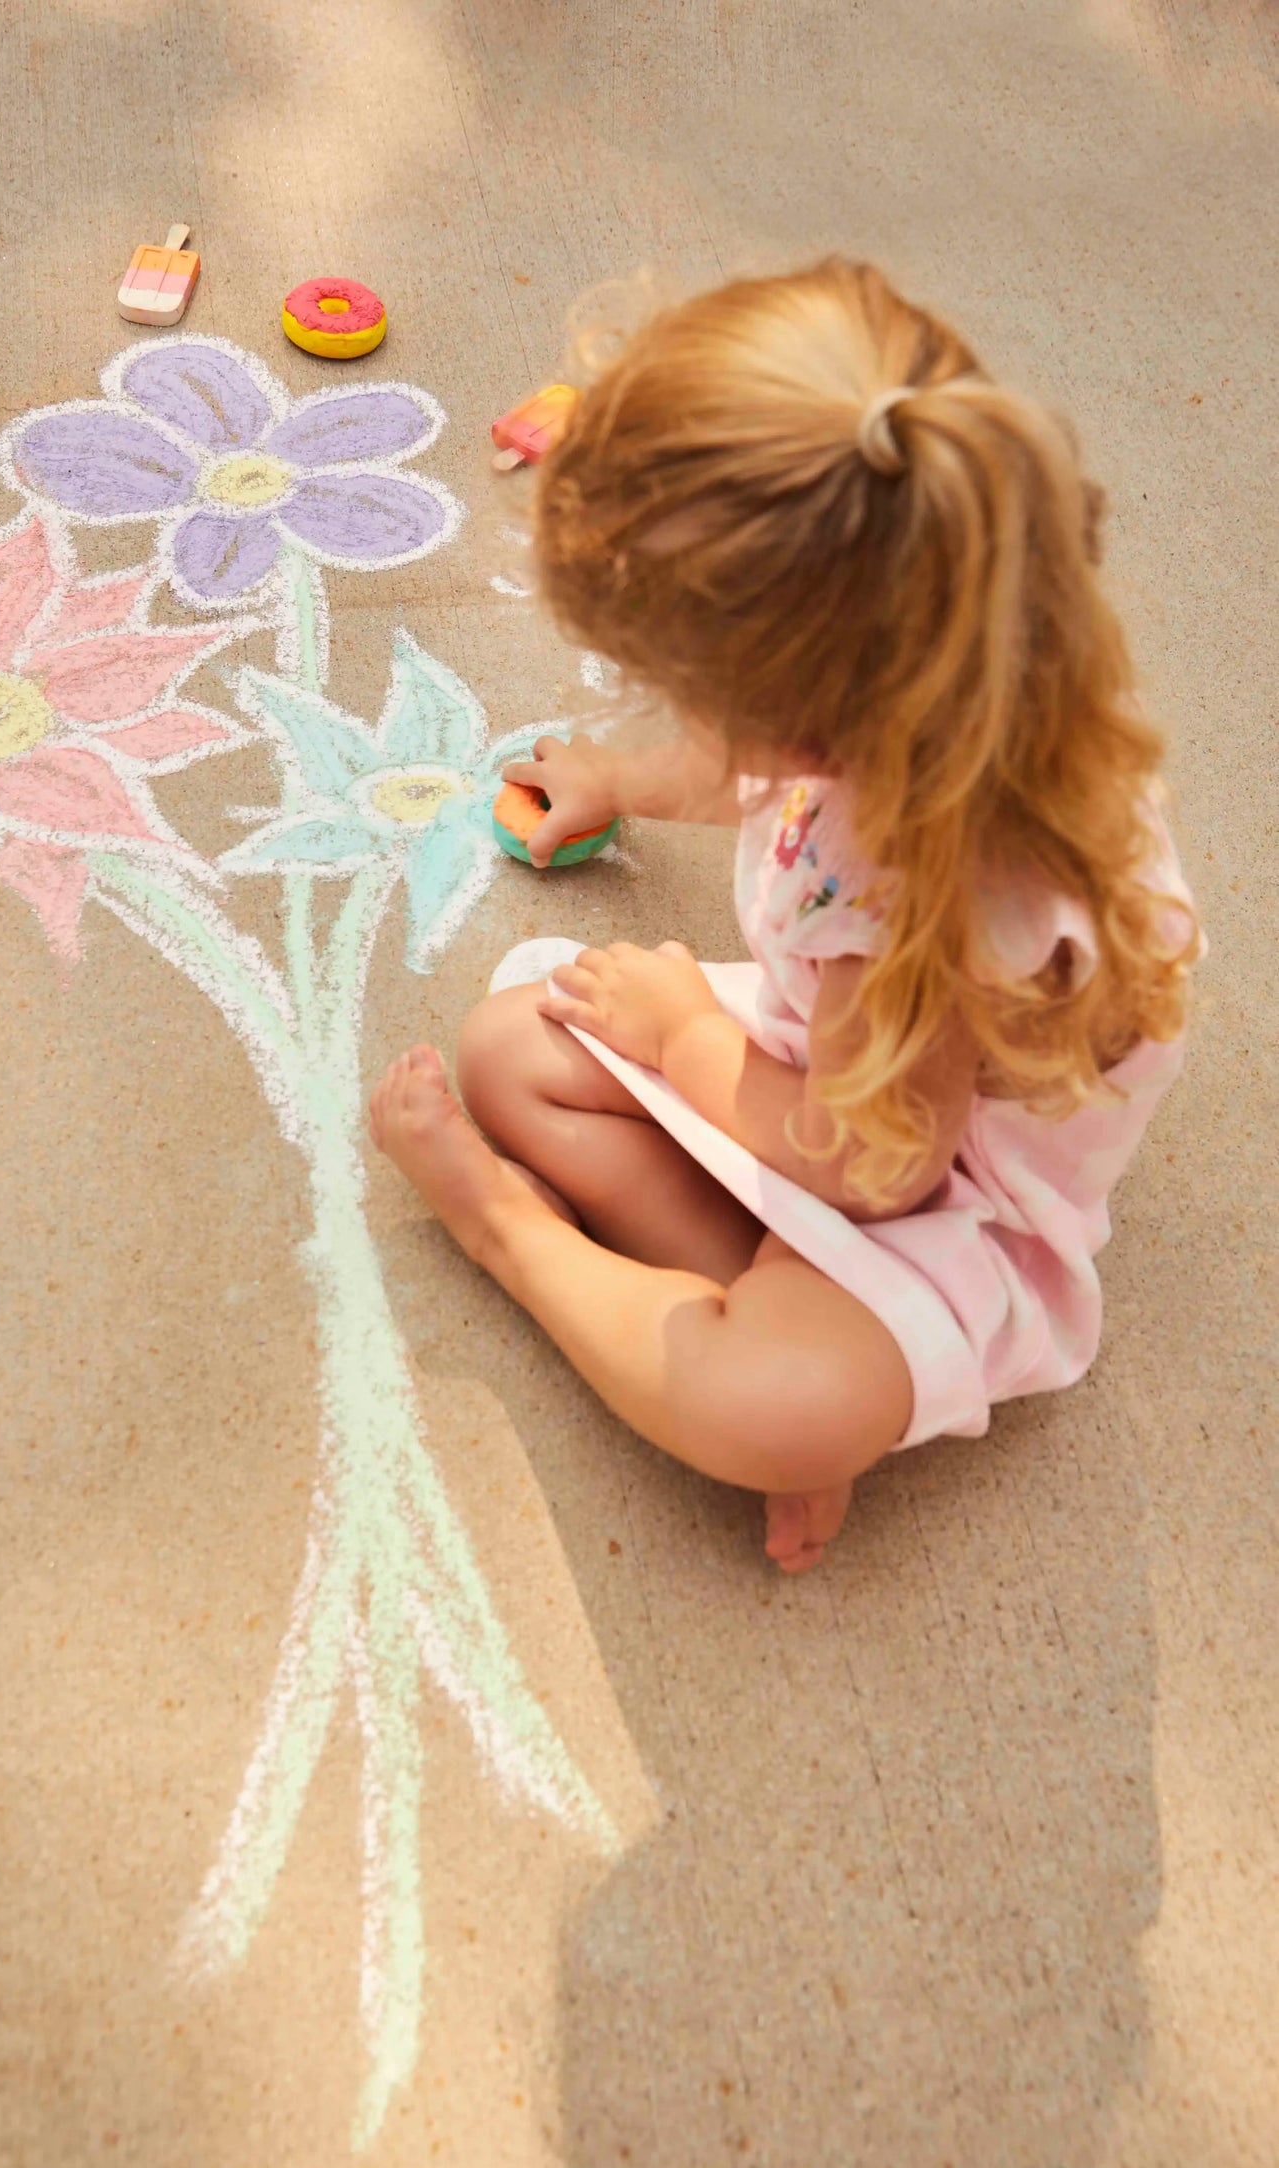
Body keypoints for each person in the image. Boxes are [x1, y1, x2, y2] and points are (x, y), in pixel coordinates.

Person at [369, 259, 1199, 1573]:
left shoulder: (921, 882)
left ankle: (510, 1233)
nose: (672, 715)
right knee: (510, 1051)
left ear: (817, 717)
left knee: (769, 1408)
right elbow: (755, 759)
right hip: (843, 1073)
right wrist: (619, 776)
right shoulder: (939, 655)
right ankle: (765, 1287)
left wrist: (688, 1034)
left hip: (927, 1174)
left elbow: (884, 1169)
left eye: (680, 693)